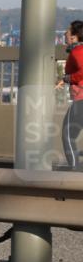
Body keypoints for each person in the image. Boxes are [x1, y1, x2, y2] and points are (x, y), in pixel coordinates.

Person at [58, 19, 83, 170]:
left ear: (74, 36)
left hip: (81, 100)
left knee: (68, 135)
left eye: (68, 31)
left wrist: (67, 78)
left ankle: (75, 171)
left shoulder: (78, 51)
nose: (65, 34)